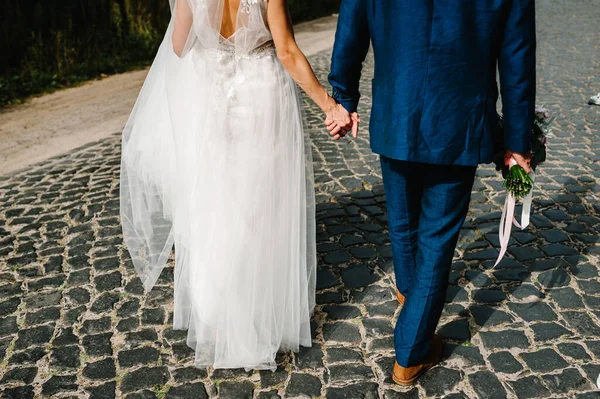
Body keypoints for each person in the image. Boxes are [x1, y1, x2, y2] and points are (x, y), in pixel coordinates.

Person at [119, 0, 352, 371]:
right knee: (259, 204)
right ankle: (256, 318)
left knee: (216, 202)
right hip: (261, 94)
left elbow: (179, 46)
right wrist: (330, 106)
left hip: (210, 91)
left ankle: (218, 318)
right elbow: (287, 51)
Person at [328, 0, 536, 385]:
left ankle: (412, 305)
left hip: (397, 111)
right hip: (460, 118)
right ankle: (411, 349)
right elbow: (517, 57)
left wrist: (344, 96)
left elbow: (351, 25)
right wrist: (518, 139)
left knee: (404, 222)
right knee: (436, 237)